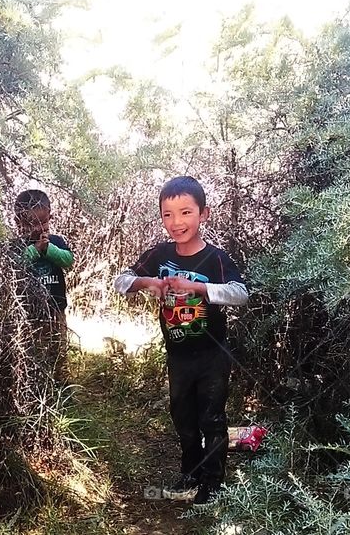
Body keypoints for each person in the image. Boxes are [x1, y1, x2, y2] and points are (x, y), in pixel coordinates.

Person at [113, 176, 248, 507]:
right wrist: (148, 282)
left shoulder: (216, 259)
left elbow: (241, 294)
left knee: (212, 419)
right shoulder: (158, 255)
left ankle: (212, 484)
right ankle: (191, 471)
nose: (176, 222)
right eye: (168, 214)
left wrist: (201, 289)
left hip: (213, 355)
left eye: (186, 212)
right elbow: (121, 281)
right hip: (178, 356)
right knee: (183, 418)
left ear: (204, 214)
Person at [13, 189, 74, 382]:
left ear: (50, 217)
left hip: (55, 309)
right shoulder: (17, 245)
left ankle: (61, 386)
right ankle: (36, 386)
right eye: (31, 224)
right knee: (32, 351)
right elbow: (15, 266)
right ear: (18, 223)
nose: (39, 228)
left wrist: (48, 249)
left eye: (44, 222)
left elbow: (68, 260)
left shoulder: (55, 241)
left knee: (58, 350)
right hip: (29, 312)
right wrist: (35, 250)